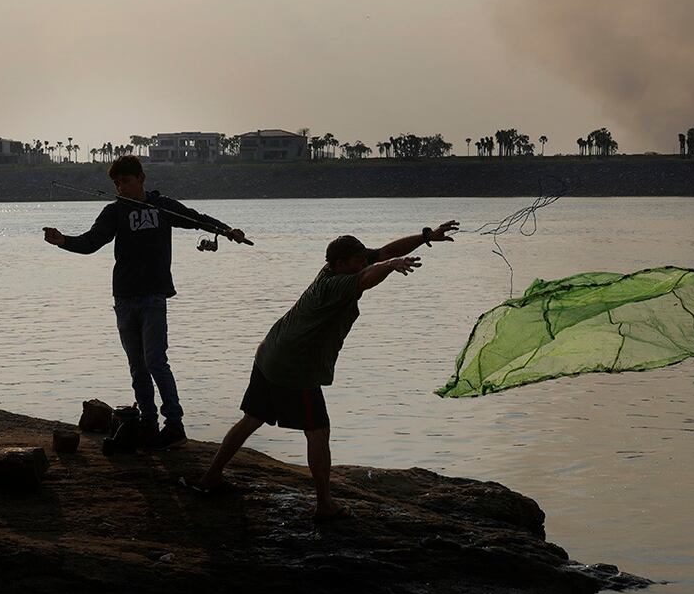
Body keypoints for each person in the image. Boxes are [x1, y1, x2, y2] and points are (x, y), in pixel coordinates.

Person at [196, 220, 460, 520]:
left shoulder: (339, 267)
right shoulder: (334, 285)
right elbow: (369, 276)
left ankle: (211, 477)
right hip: (294, 368)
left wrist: (426, 236)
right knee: (318, 431)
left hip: (271, 353)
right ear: (339, 264)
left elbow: (385, 252)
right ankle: (324, 505)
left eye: (363, 258)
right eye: (357, 260)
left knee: (252, 419)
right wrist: (390, 266)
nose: (363, 262)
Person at [43, 155, 248, 449]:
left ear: (141, 178)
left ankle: (174, 425)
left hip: (154, 295)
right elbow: (90, 243)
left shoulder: (162, 206)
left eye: (126, 181)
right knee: (137, 366)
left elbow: (196, 219)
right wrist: (62, 240)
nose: (121, 187)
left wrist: (226, 230)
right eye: (117, 183)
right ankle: (148, 424)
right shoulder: (114, 212)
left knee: (156, 362)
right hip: (124, 297)